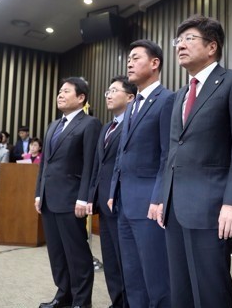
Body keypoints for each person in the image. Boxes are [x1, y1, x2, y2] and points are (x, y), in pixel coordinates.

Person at [156, 15, 232, 308]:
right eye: (178, 41)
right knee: (181, 289)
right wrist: (165, 196)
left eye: (189, 39)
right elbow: (173, 151)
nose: (180, 46)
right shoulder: (180, 95)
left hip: (212, 206)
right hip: (175, 207)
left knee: (211, 290)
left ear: (212, 46)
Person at [108, 40, 173, 308]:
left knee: (156, 277)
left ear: (155, 63)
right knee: (132, 276)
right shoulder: (132, 105)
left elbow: (167, 155)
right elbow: (121, 154)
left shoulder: (167, 100)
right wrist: (113, 190)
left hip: (149, 205)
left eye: (136, 58)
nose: (129, 63)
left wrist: (158, 198)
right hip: (124, 203)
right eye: (128, 59)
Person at [34, 77, 102, 308]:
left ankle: (81, 303)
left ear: (81, 97)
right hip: (48, 199)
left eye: (66, 91)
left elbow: (90, 164)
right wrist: (38, 193)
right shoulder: (53, 125)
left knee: (77, 256)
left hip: (72, 199)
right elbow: (45, 164)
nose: (60, 95)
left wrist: (84, 197)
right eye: (59, 91)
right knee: (57, 254)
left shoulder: (90, 124)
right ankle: (63, 296)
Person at [86, 76, 136, 308]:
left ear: (130, 97)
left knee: (126, 259)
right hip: (104, 203)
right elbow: (99, 165)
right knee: (111, 259)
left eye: (114, 90)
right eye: (107, 90)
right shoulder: (107, 127)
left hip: (123, 201)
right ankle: (117, 302)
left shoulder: (133, 124)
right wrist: (92, 196)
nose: (108, 94)